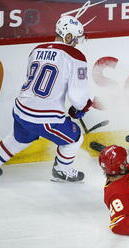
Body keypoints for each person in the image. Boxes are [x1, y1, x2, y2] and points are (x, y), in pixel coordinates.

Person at [0, 15, 94, 182]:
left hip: (21, 109)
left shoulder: (36, 49)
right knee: (75, 138)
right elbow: (77, 96)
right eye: (76, 38)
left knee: (19, 138)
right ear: (69, 36)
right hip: (44, 117)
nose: (77, 43)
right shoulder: (75, 55)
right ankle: (62, 170)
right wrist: (80, 108)